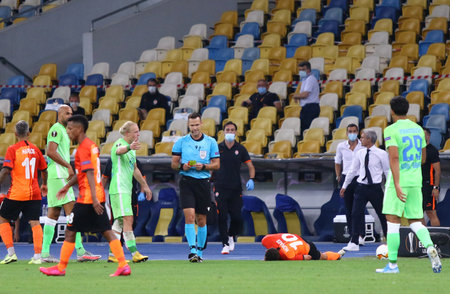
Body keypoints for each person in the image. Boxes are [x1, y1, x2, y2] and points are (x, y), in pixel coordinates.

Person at [39, 115, 130, 277]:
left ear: (79, 129)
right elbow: (83, 172)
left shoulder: (82, 149)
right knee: (106, 231)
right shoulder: (92, 146)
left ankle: (60, 268)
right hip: (96, 195)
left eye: (70, 128)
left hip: (88, 198)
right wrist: (67, 186)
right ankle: (123, 264)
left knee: (70, 231)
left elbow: (88, 172)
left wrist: (94, 199)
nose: (67, 132)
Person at [379, 97, 441, 274]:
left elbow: (394, 157)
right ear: (407, 110)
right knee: (416, 220)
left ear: (392, 111)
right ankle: (430, 247)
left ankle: (392, 265)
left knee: (392, 221)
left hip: (399, 181)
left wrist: (397, 184)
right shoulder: (418, 129)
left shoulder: (391, 130)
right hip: (416, 181)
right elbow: (423, 158)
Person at [41, 105, 100, 263]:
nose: (69, 115)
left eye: (71, 114)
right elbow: (50, 152)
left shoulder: (65, 131)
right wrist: (68, 166)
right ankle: (80, 251)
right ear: (59, 114)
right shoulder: (56, 129)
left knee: (53, 214)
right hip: (59, 174)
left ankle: (45, 253)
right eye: (66, 113)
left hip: (55, 175)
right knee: (74, 213)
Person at [171, 113, 220, 262]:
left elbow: (217, 165)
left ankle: (200, 251)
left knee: (201, 220)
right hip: (186, 182)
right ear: (188, 126)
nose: (195, 128)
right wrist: (182, 166)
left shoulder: (211, 142)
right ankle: (192, 250)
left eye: (197, 125)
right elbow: (173, 164)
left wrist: (204, 166)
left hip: (203, 183)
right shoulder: (181, 142)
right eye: (192, 125)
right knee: (189, 216)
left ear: (202, 124)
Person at [0, 121, 48, 264]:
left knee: (3, 219)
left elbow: (5, 171)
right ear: (28, 133)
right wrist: (44, 184)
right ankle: (38, 256)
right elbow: (44, 170)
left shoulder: (12, 149)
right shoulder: (36, 149)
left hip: (17, 192)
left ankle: (11, 253)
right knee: (35, 223)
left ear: (15, 134)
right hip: (34, 192)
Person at [107, 121, 152, 263]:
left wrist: (145, 186)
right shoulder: (119, 144)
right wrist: (129, 147)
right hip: (119, 189)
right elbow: (119, 151)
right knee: (128, 219)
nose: (138, 134)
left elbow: (135, 169)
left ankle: (113, 254)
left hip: (125, 189)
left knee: (120, 222)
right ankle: (134, 253)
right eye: (135, 132)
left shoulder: (132, 150)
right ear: (127, 134)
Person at [340, 130, 389, 252]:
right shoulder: (360, 153)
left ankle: (390, 241)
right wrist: (345, 186)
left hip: (375, 188)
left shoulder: (381, 153)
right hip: (361, 187)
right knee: (355, 213)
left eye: (362, 138)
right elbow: (352, 169)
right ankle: (354, 241)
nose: (360, 139)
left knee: (383, 215)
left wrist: (389, 189)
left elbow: (387, 172)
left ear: (369, 139)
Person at [213, 121, 256, 254]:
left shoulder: (241, 149)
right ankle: (225, 243)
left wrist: (251, 179)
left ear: (236, 133)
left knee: (237, 217)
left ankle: (231, 235)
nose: (230, 132)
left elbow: (250, 166)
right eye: (228, 130)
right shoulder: (217, 148)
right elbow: (210, 165)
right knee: (222, 216)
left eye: (232, 130)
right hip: (220, 187)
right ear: (223, 132)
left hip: (236, 188)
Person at [335, 124, 365, 246]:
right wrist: (338, 176)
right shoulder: (341, 146)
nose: (352, 133)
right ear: (346, 133)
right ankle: (353, 236)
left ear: (357, 132)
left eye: (354, 131)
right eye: (350, 131)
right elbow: (337, 162)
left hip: (359, 178)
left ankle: (361, 235)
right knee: (348, 208)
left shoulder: (362, 145)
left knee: (359, 208)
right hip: (346, 177)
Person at [262, 233, 345, 261]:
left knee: (322, 256)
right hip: (296, 237)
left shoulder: (289, 255)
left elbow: (307, 257)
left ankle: (338, 255)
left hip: (308, 247)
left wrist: (302, 257)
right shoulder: (265, 240)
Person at [292, 61, 320, 138]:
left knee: (307, 130)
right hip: (307, 107)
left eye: (303, 70)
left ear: (308, 70)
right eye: (300, 70)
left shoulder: (310, 79)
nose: (301, 72)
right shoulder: (305, 80)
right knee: (304, 129)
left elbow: (305, 94)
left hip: (311, 107)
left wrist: (296, 96)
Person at [421, 128, 441, 227]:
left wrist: (435, 187)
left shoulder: (432, 150)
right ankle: (423, 238)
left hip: (429, 184)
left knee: (431, 212)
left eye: (423, 134)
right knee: (418, 214)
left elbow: (437, 171)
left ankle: (436, 238)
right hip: (418, 185)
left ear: (428, 136)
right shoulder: (418, 150)